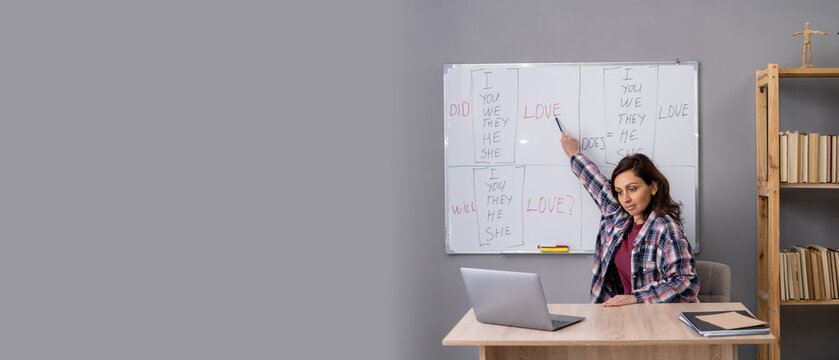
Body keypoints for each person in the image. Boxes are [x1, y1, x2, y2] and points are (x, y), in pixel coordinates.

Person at [560, 131, 699, 307]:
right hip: (621, 316)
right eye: (619, 192)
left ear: (653, 187)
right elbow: (595, 182)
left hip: (658, 320)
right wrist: (573, 153)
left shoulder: (665, 228)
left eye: (632, 189)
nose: (625, 199)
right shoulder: (617, 215)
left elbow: (686, 283)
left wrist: (637, 298)